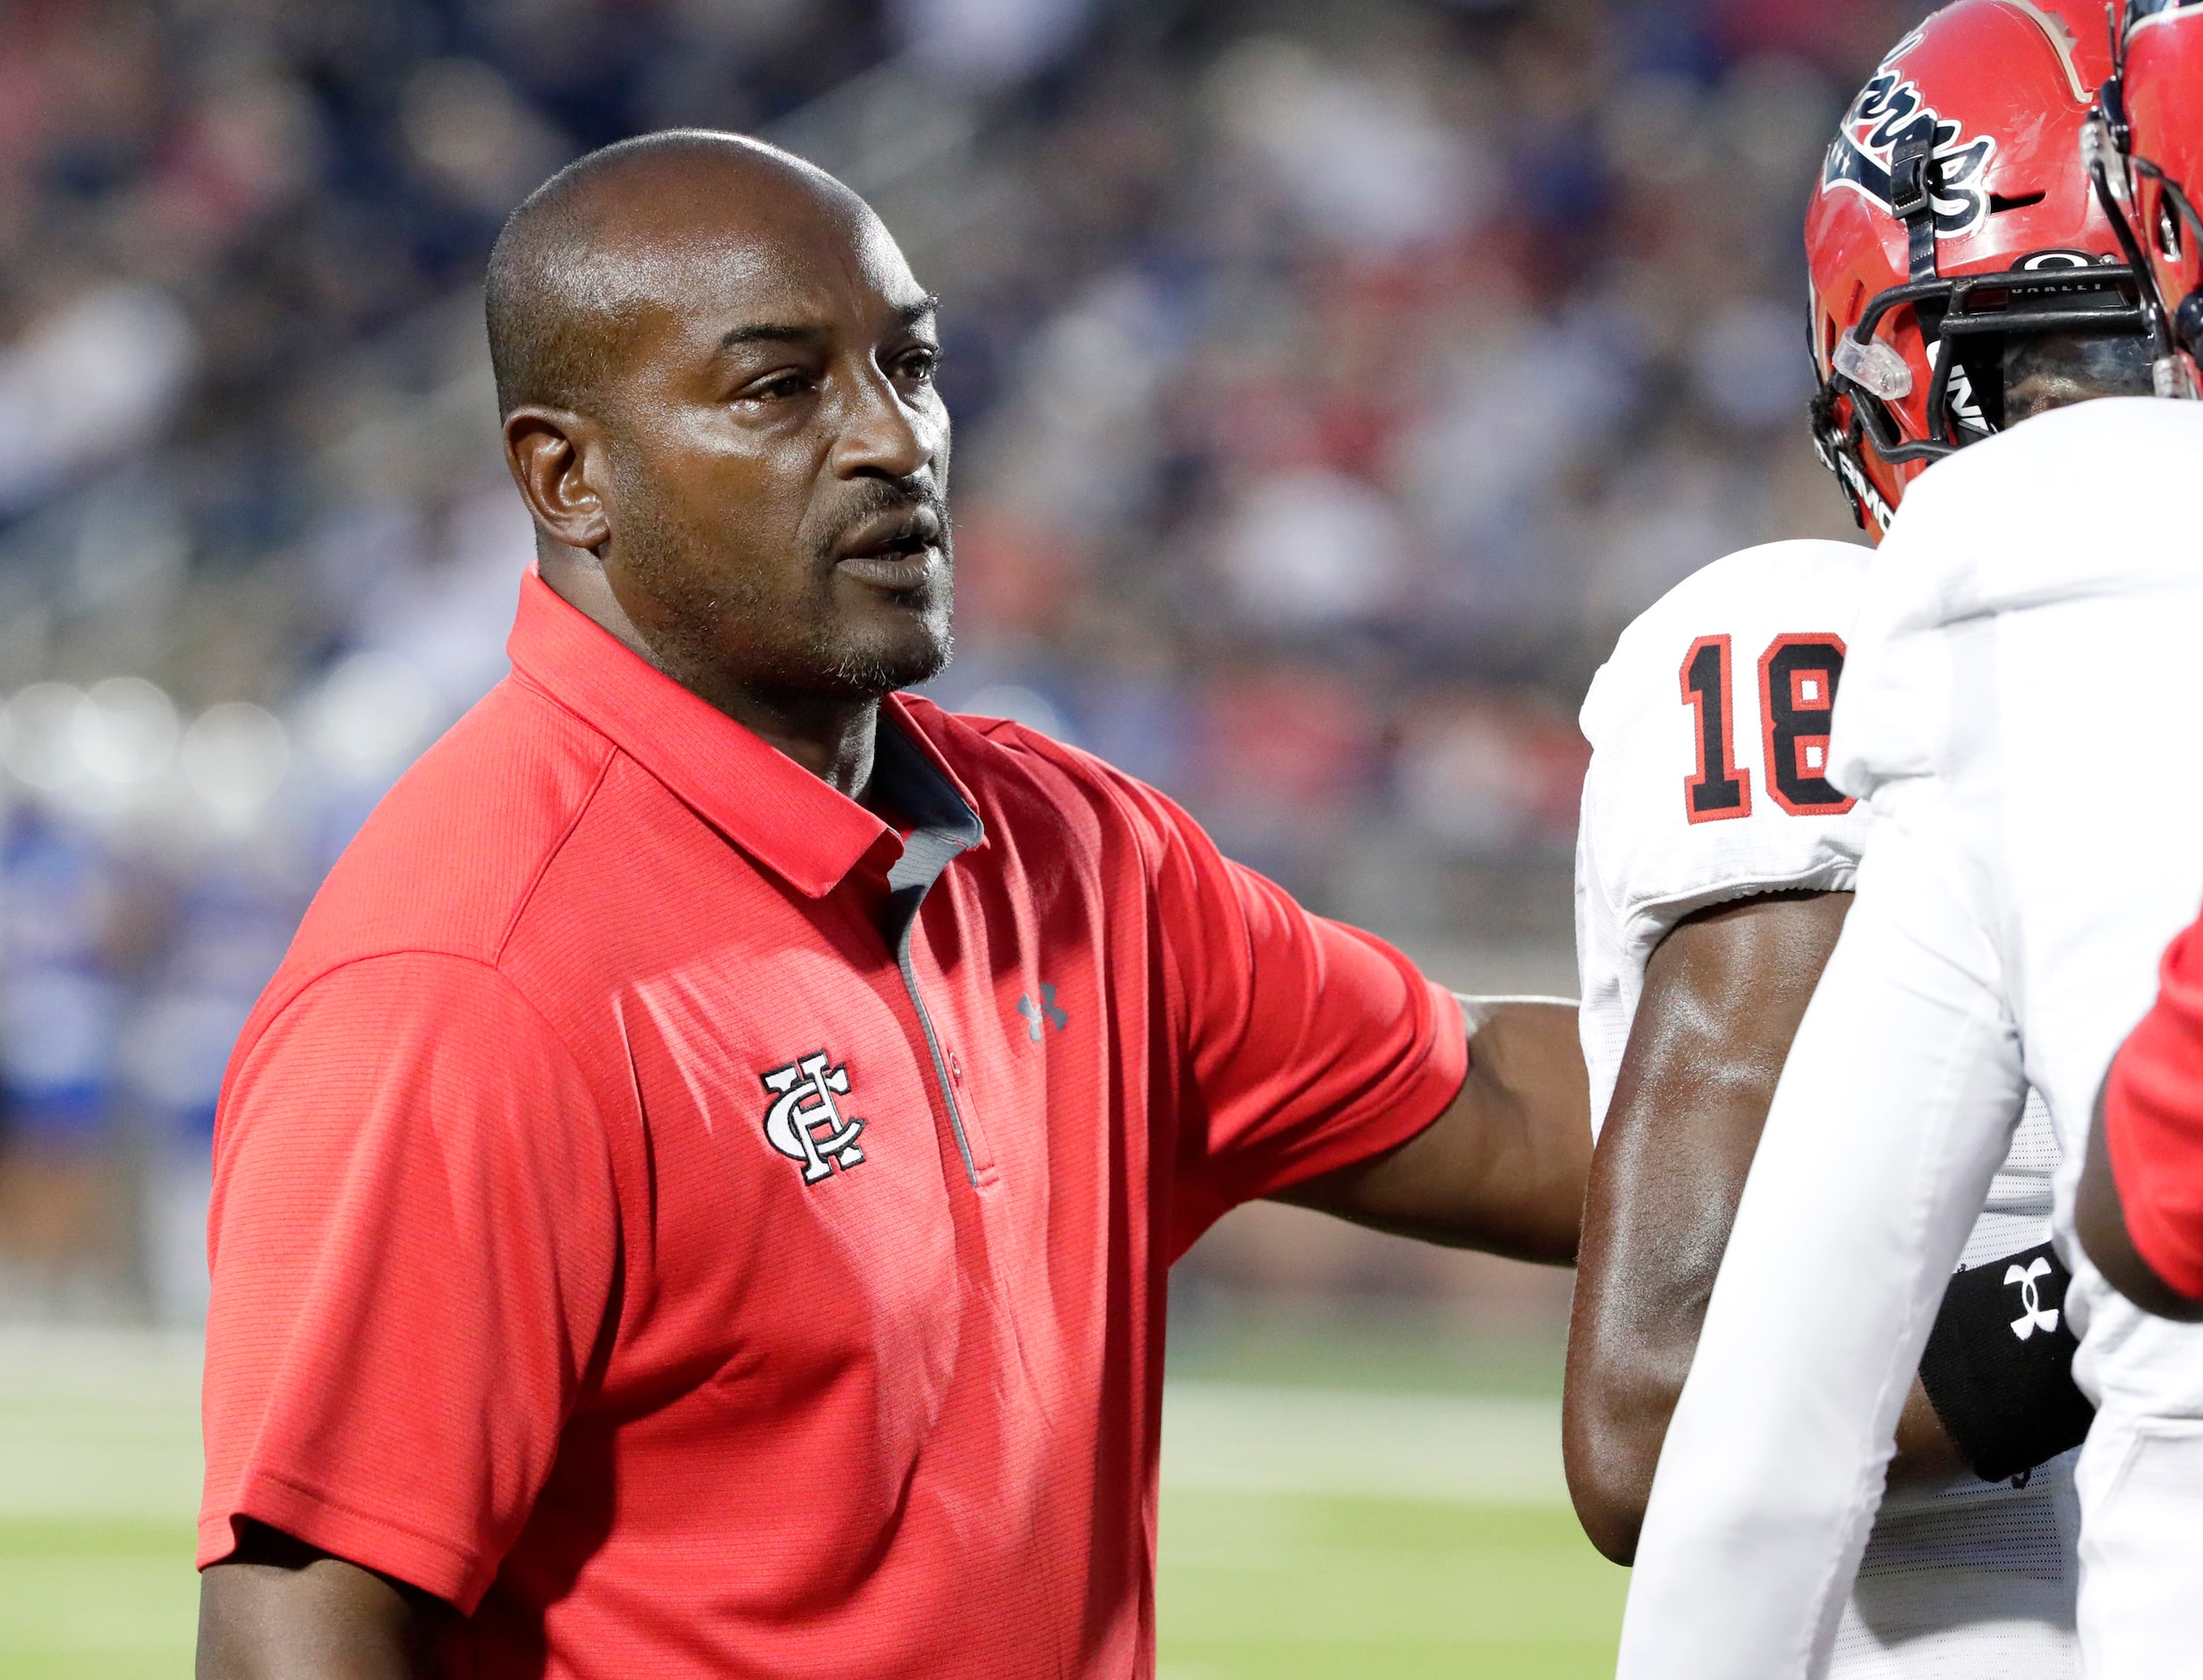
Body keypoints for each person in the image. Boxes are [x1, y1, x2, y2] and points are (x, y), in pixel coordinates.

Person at [189, 132, 1594, 1679]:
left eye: (909, 364)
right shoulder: (467, 978)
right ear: (566, 475)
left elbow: (1507, 1103)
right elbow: (293, 1637)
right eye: (779, 388)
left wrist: (1899, 1063)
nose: (893, 439)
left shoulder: (1072, 853)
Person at [1614, 5, 2203, 1675]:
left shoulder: (1989, 613)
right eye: (2076, 367)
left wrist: (2086, 1285)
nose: (2140, 408)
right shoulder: (1840, 645)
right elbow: (1666, 1423)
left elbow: (1749, 1451)